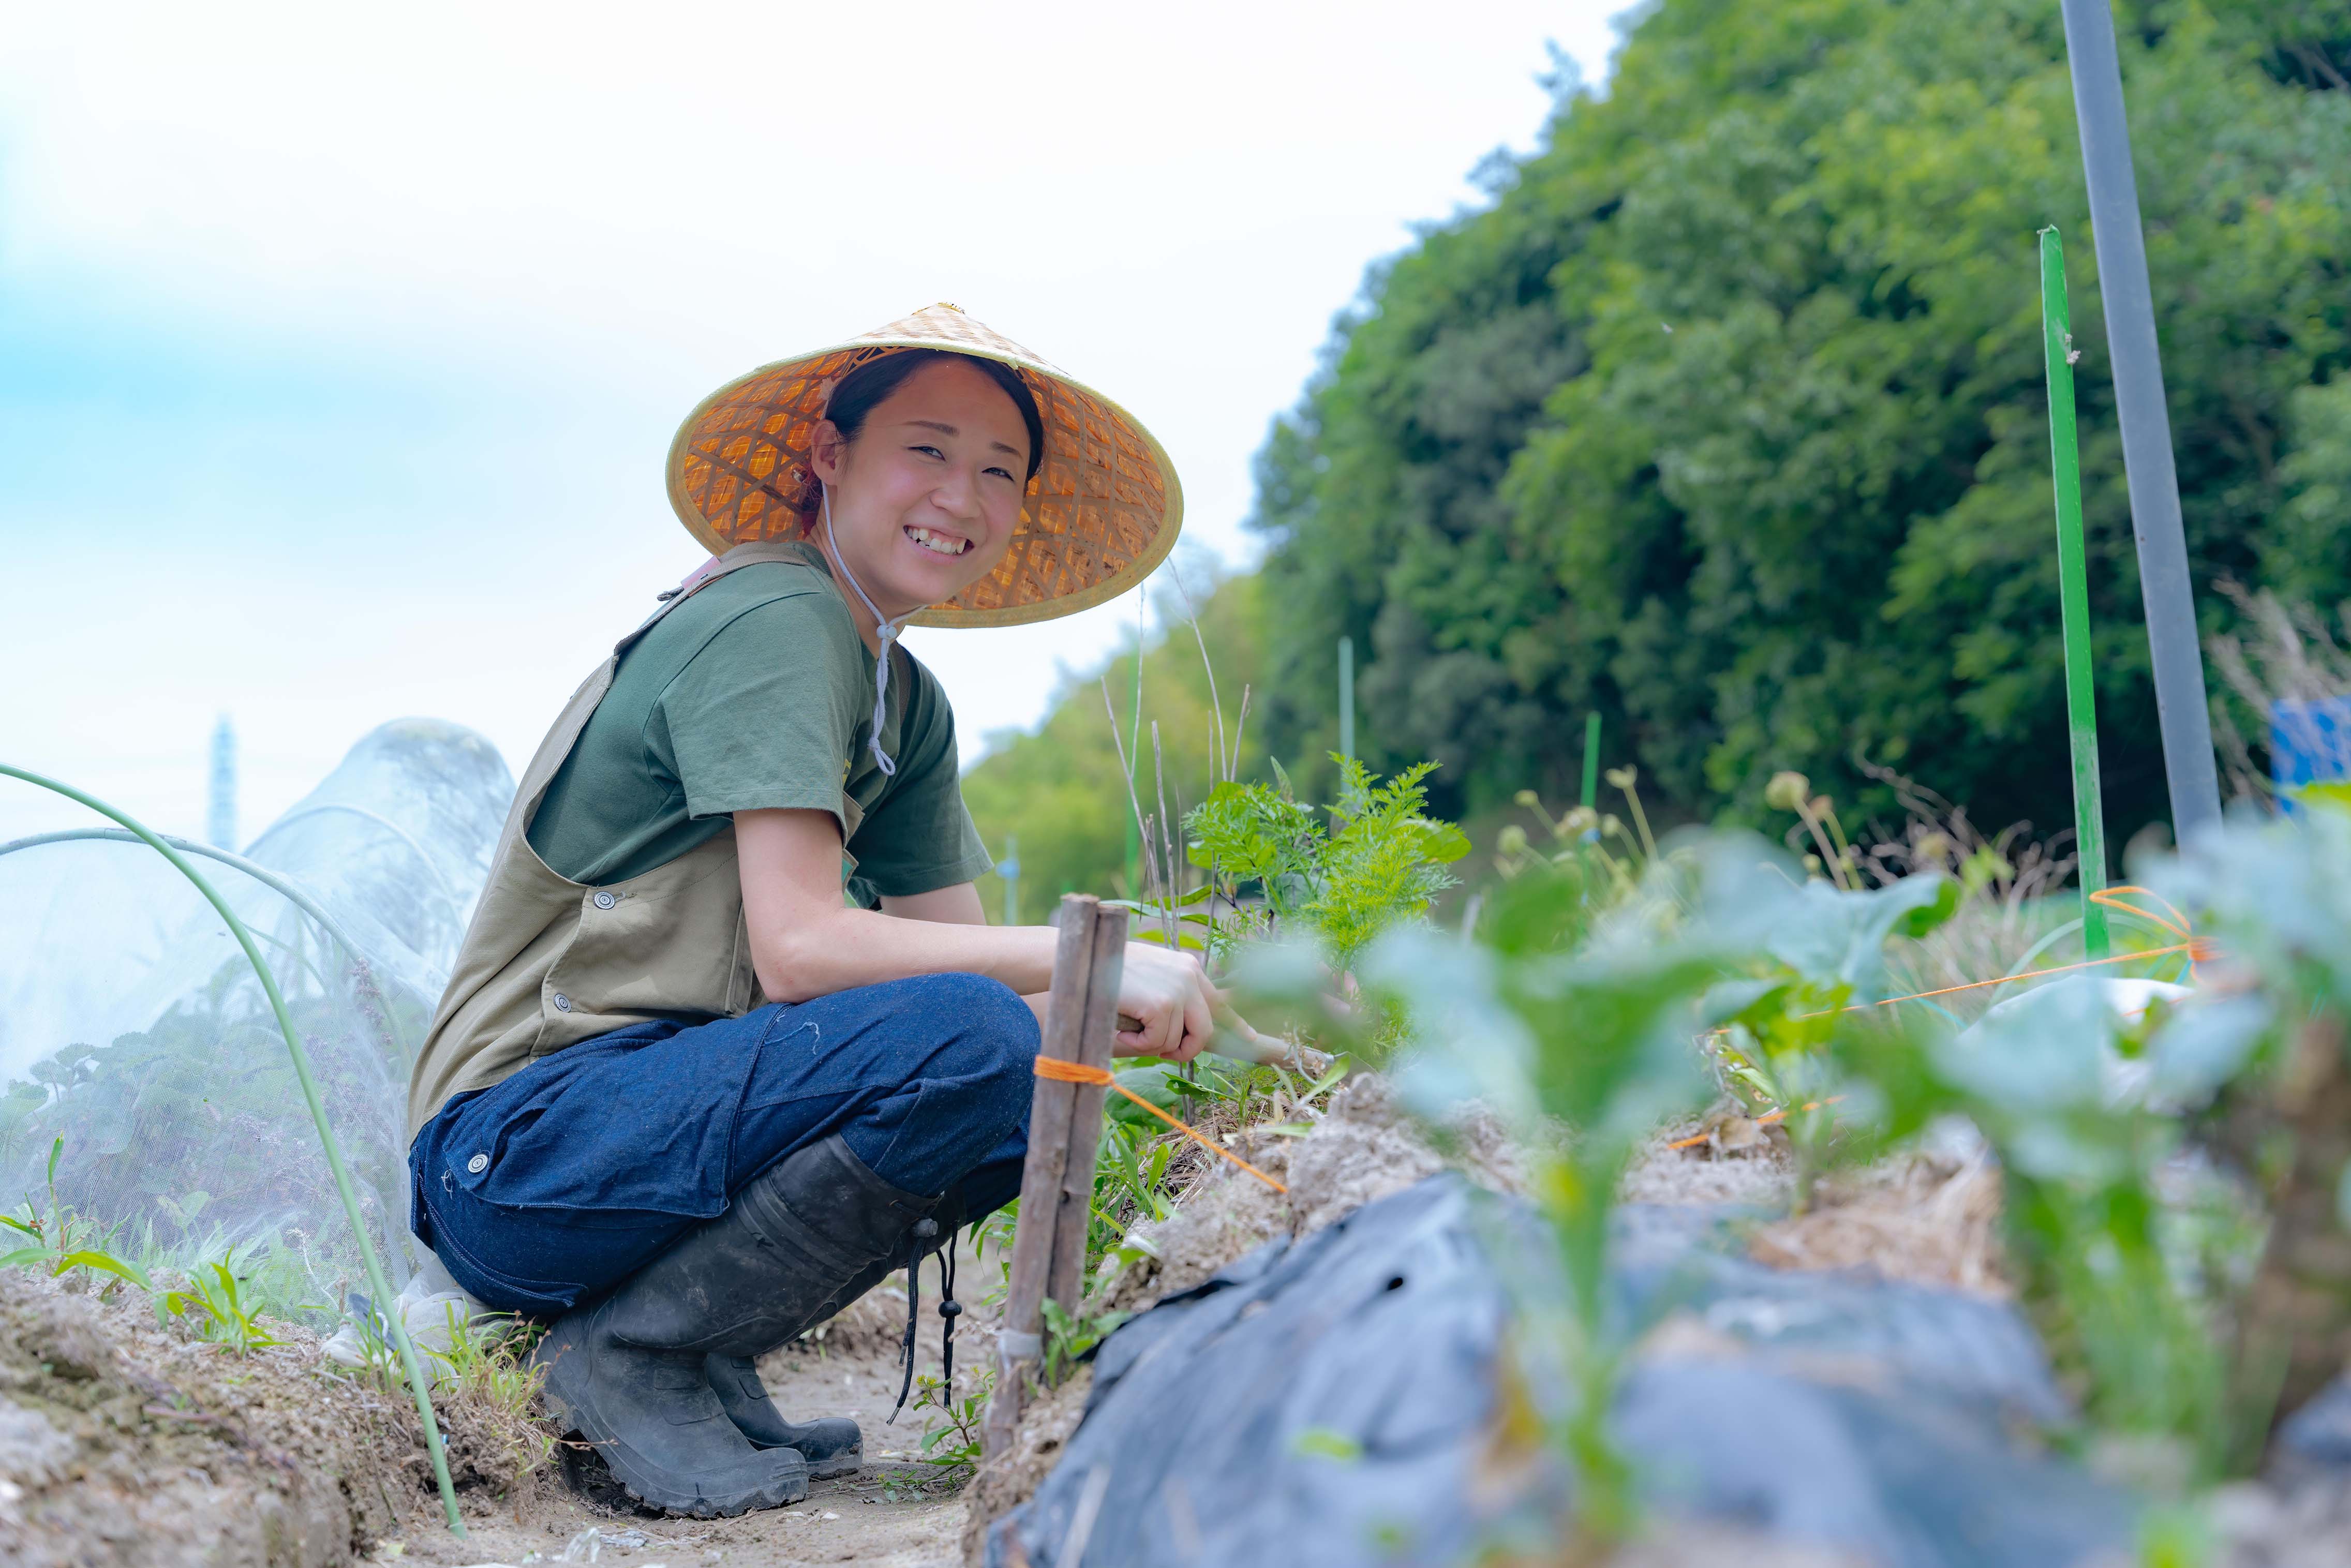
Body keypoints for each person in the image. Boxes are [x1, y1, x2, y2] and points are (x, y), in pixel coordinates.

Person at [404, 304, 1246, 1517]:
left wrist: (1216, 1011)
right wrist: (1093, 956)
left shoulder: (904, 696)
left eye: (999, 471)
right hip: (523, 1147)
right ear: (829, 458)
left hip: (653, 1114)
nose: (962, 495)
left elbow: (979, 972)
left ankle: (679, 1346)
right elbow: (803, 949)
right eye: (928, 449)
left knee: (1015, 1064)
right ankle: (626, 1356)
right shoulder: (779, 619)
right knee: (977, 1042)